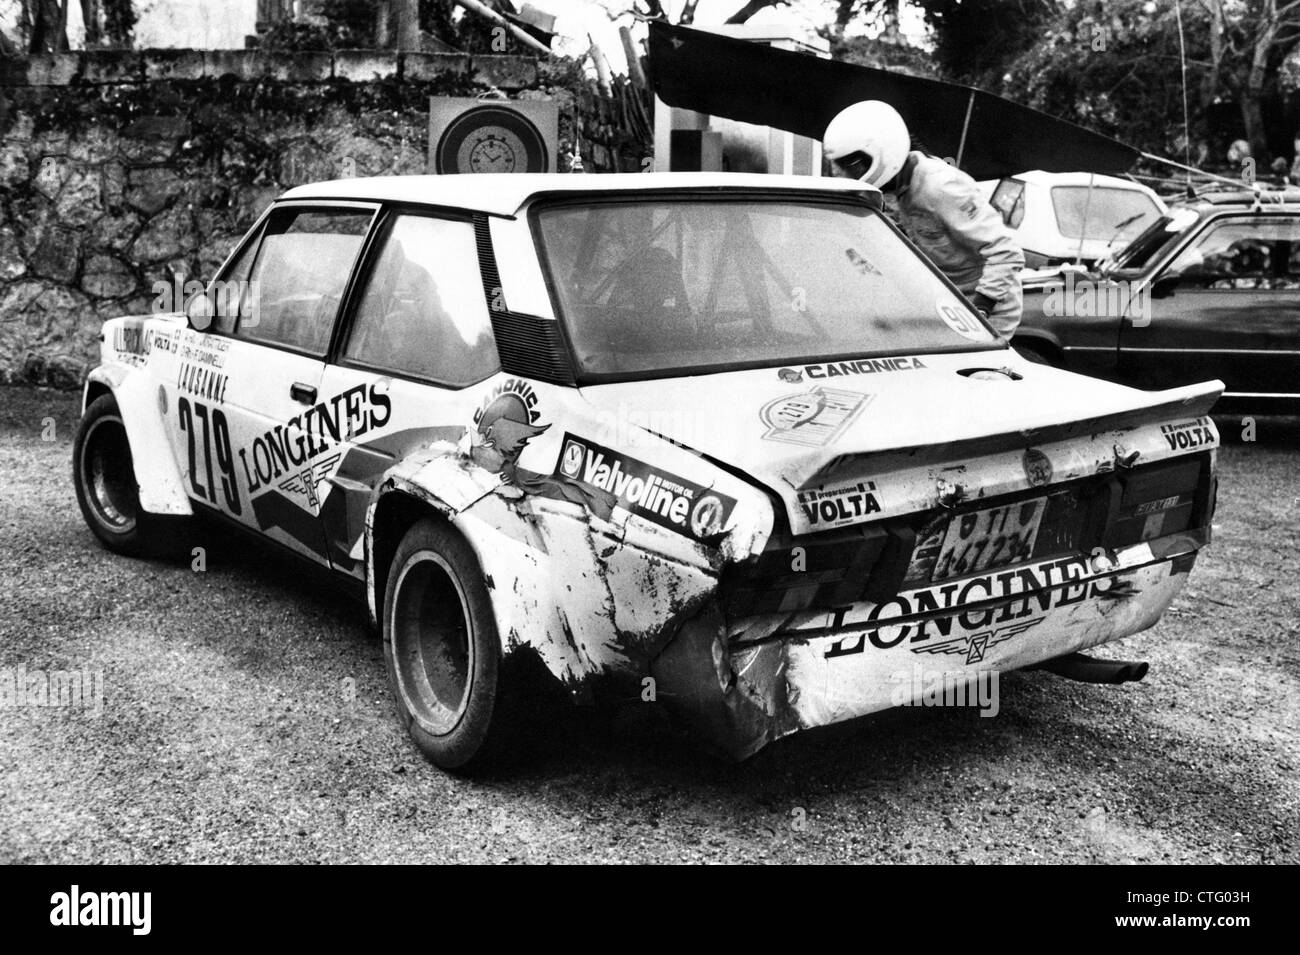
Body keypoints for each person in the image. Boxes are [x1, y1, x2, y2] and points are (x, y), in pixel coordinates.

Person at [823, 100, 1025, 339]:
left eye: (853, 166)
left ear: (882, 152)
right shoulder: (889, 193)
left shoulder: (941, 186)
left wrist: (981, 306)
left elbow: (1006, 251)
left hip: (987, 305)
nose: (844, 174)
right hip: (943, 300)